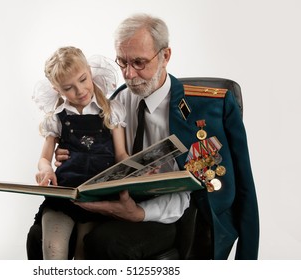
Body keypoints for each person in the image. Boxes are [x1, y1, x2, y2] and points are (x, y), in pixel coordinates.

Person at [27, 13, 259, 260]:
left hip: (170, 212)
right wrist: (64, 154)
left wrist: (139, 213)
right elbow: (92, 145)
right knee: (37, 234)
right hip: (111, 203)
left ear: (165, 56)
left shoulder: (209, 107)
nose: (129, 75)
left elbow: (243, 187)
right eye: (122, 62)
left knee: (106, 243)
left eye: (139, 62)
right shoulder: (114, 102)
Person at [31, 46, 129, 259]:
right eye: (68, 87)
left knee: (85, 253)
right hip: (64, 195)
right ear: (57, 90)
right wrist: (46, 170)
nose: (80, 90)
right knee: (53, 249)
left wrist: (137, 168)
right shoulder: (56, 117)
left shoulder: (111, 111)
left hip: (98, 196)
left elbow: (121, 155)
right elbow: (44, 158)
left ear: (90, 71)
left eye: (83, 79)